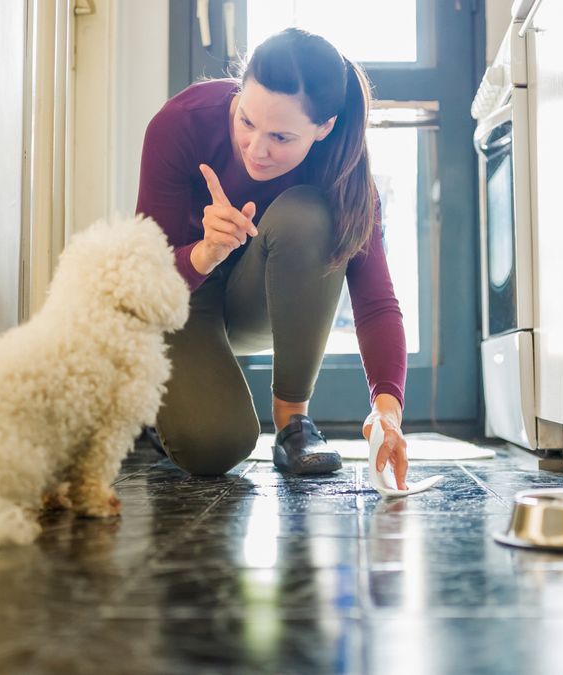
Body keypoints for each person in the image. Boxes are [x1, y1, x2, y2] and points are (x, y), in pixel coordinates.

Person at [135, 27, 409, 488]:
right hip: (182, 298)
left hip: (257, 299)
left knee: (312, 216)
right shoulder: (180, 123)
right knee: (213, 446)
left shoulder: (343, 170)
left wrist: (388, 409)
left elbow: (376, 300)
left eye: (281, 137)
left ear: (324, 129)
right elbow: (143, 280)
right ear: (240, 90)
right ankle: (161, 413)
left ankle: (293, 425)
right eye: (246, 122)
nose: (256, 150)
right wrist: (204, 253)